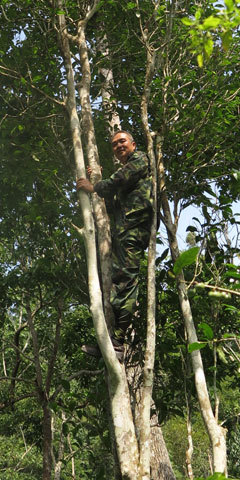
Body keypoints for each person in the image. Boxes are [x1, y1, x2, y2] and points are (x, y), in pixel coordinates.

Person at [76, 130, 153, 353]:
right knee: (120, 281)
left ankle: (118, 343)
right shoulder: (126, 175)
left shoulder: (140, 160)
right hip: (125, 232)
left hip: (134, 231)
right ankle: (114, 340)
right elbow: (113, 201)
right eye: (114, 144)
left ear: (133, 144)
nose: (119, 146)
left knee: (126, 283)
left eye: (122, 142)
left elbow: (118, 180)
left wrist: (95, 186)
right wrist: (96, 180)